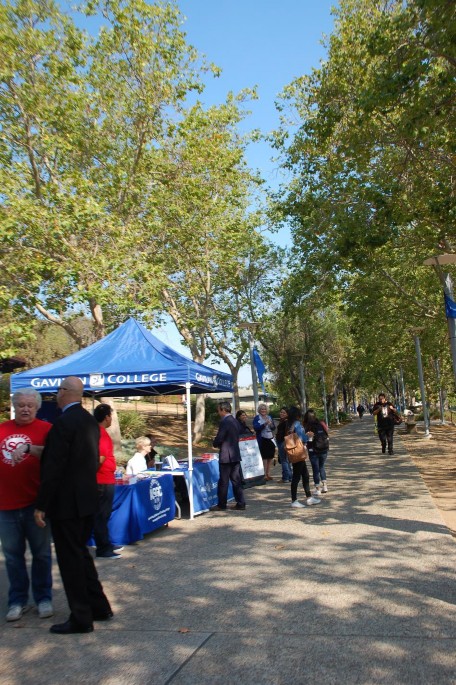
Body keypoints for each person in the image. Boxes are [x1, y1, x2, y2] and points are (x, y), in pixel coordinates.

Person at [34, 376, 112, 635]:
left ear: (64, 392)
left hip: (66, 503)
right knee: (81, 555)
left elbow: (54, 467)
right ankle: (99, 606)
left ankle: (81, 617)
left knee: (71, 561)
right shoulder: (89, 421)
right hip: (86, 498)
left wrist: (41, 504)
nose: (57, 394)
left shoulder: (63, 423)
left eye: (59, 390)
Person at [0, 388, 53, 622]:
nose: (25, 409)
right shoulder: (2, 429)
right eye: (21, 405)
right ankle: (17, 600)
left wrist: (30, 449)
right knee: (13, 556)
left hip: (36, 506)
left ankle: (43, 598)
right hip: (6, 505)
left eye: (30, 405)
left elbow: (54, 457)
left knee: (41, 554)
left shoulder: (46, 430)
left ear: (37, 407)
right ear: (14, 406)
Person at [93, 404, 122, 559]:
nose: (111, 419)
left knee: (102, 515)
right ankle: (103, 548)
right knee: (101, 515)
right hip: (103, 480)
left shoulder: (96, 432)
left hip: (103, 478)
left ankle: (106, 542)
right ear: (106, 417)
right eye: (110, 416)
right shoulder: (101, 434)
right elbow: (100, 458)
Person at [212, 401, 246, 511]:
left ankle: (222, 504)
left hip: (226, 455)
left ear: (223, 410)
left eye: (218, 410)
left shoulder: (225, 421)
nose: (218, 412)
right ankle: (241, 503)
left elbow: (220, 437)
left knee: (224, 481)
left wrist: (215, 443)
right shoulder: (235, 421)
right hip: (235, 454)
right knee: (236, 480)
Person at [286, 406, 321, 508]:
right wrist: (309, 436)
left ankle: (309, 497)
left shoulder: (288, 424)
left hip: (293, 451)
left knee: (305, 475)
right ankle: (294, 500)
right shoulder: (297, 424)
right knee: (297, 477)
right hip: (299, 452)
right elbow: (302, 438)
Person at [303, 409, 329, 497]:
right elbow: (327, 433)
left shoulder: (308, 426)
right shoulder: (321, 423)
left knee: (315, 469)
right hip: (324, 448)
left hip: (313, 450)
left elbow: (307, 439)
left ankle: (318, 489)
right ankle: (325, 486)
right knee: (321, 467)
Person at [253, 403, 276, 481]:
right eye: (262, 409)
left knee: (270, 457)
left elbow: (273, 428)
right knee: (264, 457)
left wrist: (271, 424)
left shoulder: (270, 417)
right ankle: (264, 475)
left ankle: (268, 473)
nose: (263, 410)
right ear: (259, 410)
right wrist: (264, 424)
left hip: (270, 438)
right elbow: (256, 428)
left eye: (265, 409)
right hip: (262, 439)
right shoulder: (257, 418)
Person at [276, 406, 292, 483]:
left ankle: (285, 478)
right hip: (283, 441)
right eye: (281, 412)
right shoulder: (284, 421)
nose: (282, 414)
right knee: (286, 460)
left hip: (283, 442)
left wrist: (285, 443)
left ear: (287, 414)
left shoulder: (286, 422)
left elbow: (287, 433)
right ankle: (290, 476)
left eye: (284, 413)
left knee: (284, 460)